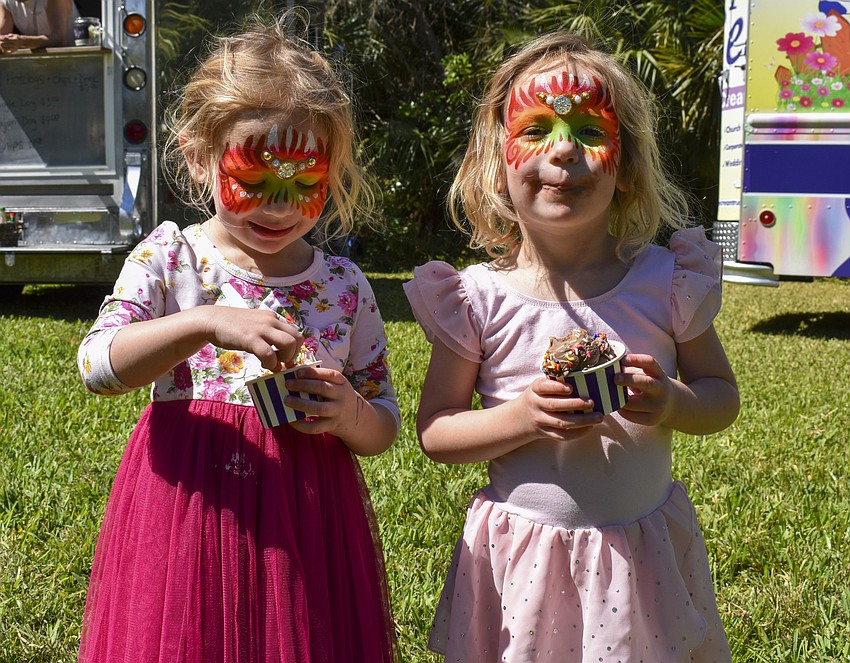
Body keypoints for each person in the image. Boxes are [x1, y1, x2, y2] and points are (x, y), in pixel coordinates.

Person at [404, 32, 740, 662]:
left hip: (641, 555)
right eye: (535, 128)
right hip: (527, 556)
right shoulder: (476, 299)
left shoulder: (666, 281)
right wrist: (522, 417)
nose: (563, 151)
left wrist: (671, 403)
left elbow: (721, 397)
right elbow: (436, 432)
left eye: (590, 131)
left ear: (628, 165)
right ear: (497, 159)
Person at [76, 14, 399, 663]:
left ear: (331, 172)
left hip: (307, 523)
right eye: (252, 180)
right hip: (192, 517)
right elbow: (98, 364)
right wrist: (205, 322)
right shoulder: (174, 259)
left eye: (303, 183)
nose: (277, 206)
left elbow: (385, 422)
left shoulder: (342, 283)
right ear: (198, 157)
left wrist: (347, 413)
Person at [0, 0, 79, 53]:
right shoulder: (5, 2)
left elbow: (59, 40)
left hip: (75, 63)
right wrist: (5, 43)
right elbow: (2, 38)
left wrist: (22, 41)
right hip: (39, 66)